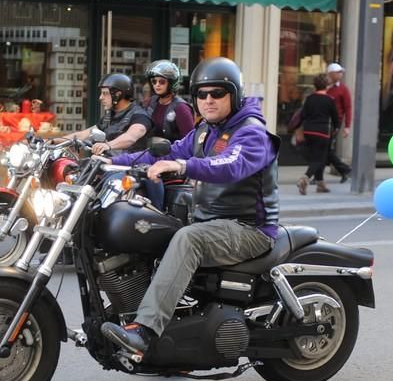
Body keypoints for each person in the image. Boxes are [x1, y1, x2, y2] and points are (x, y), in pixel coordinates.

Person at [100, 57, 279, 356]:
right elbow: (163, 153)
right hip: (210, 223)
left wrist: (183, 165)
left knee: (188, 238)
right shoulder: (205, 131)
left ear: (234, 94)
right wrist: (107, 162)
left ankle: (144, 331)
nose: (208, 100)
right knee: (153, 229)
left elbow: (229, 165)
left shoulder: (251, 132)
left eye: (217, 93)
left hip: (249, 228)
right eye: (201, 94)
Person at [63, 73, 151, 156]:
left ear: (118, 94)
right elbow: (85, 134)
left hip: (129, 167)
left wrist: (108, 145)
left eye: (105, 93)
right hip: (109, 164)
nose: (100, 97)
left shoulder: (139, 115)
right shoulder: (110, 116)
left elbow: (130, 137)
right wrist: (55, 141)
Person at [293, 73, 340, 195]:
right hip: (322, 132)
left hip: (309, 131)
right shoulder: (329, 100)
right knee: (319, 159)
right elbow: (335, 118)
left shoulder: (309, 99)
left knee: (318, 157)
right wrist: (337, 128)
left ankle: (320, 184)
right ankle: (305, 178)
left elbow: (302, 115)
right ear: (327, 85)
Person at [143, 59, 195, 142]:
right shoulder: (152, 102)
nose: (157, 85)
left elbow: (189, 141)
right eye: (154, 81)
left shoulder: (181, 108)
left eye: (162, 82)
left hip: (173, 153)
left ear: (172, 83)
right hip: (149, 150)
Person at [325, 63, 353, 183]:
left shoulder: (343, 89)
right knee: (323, 149)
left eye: (341, 72)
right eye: (338, 72)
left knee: (324, 149)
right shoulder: (325, 87)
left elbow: (348, 108)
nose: (341, 74)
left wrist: (347, 126)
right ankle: (343, 170)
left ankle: (344, 169)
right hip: (322, 121)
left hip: (334, 123)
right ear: (331, 74)